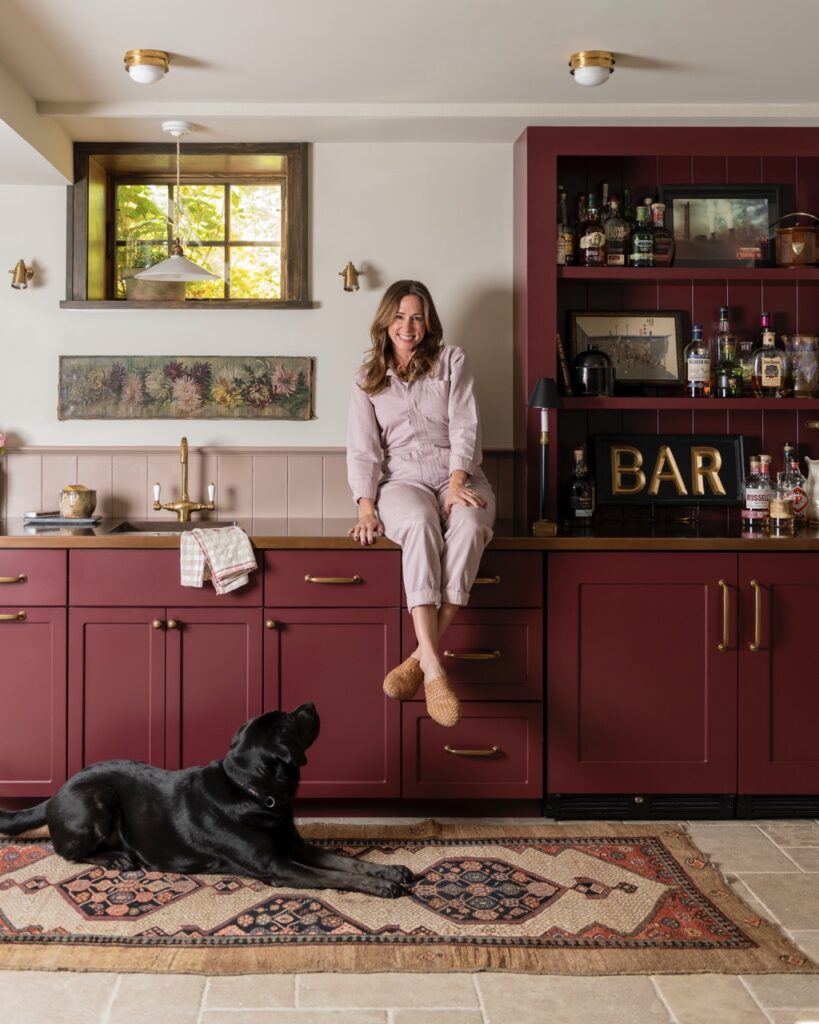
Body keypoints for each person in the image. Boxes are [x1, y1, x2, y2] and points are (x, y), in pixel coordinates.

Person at [346, 280, 496, 727]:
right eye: (399, 316)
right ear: (385, 320)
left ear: (427, 321)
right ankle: (434, 665)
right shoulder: (366, 378)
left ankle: (418, 661)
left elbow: (466, 427)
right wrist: (366, 507)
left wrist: (456, 484)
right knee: (417, 522)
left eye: (416, 316)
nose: (407, 326)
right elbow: (363, 450)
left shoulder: (453, 361)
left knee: (469, 524)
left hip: (460, 473)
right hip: (402, 480)